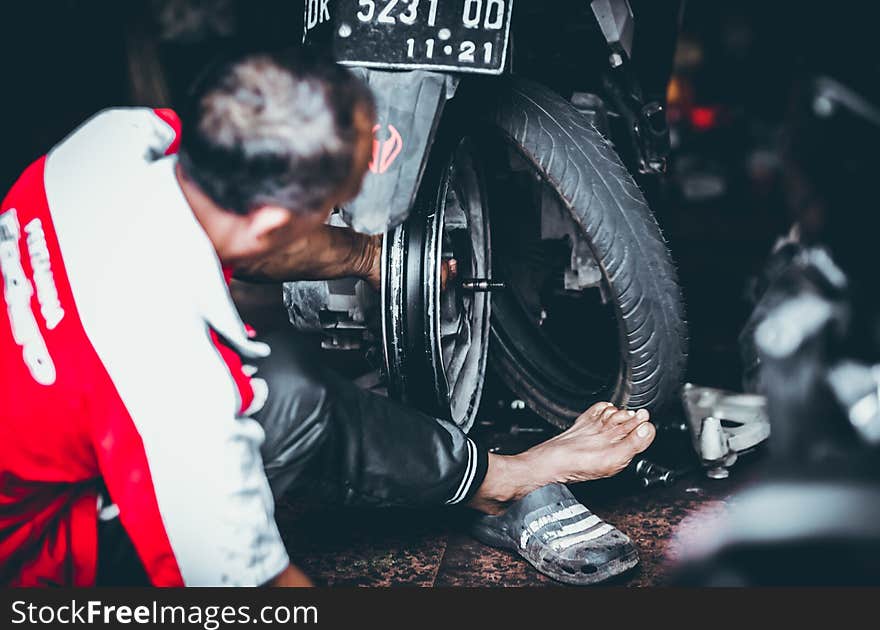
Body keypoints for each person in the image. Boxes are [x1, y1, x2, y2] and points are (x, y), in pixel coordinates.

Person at [0, 51, 656, 588]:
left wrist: (373, 259)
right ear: (272, 223)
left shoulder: (118, 143)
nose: (336, 217)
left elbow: (245, 234)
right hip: (33, 562)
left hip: (45, 438)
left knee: (279, 378)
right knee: (284, 397)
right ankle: (502, 477)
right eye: (333, 209)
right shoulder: (181, 393)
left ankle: (487, 478)